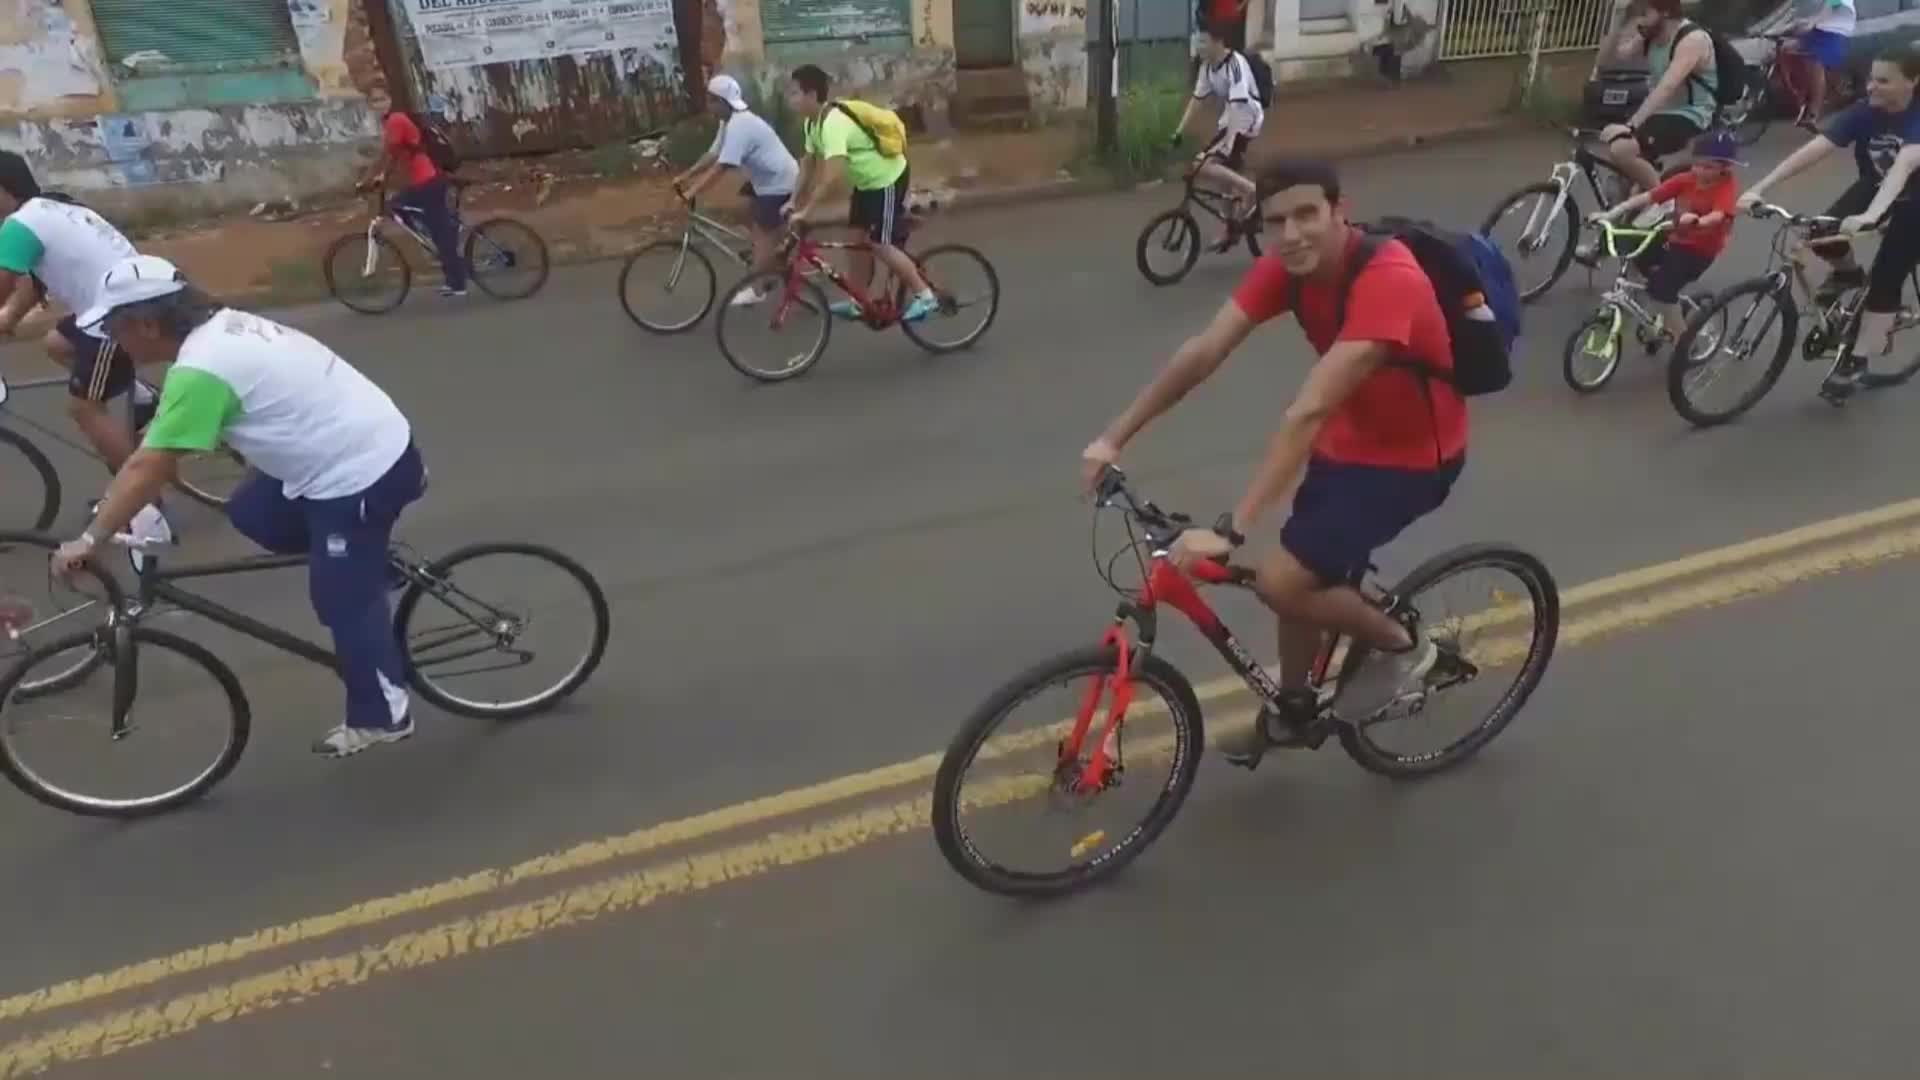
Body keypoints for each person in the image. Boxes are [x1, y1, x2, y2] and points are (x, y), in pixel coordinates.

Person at [1081, 159, 1466, 768]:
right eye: (1276, 221)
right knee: (1298, 577)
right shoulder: (1285, 272)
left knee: (1282, 581)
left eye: (1307, 215)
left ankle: (1405, 646)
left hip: (1413, 460)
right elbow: (1204, 351)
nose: (1291, 235)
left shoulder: (1391, 278)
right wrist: (1113, 438)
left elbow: (1309, 409)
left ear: (1340, 211)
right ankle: (1294, 707)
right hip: (1348, 442)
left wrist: (1231, 528)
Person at [52, 256, 429, 759]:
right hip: (332, 450)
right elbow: (166, 438)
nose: (112, 342)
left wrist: (92, 537)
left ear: (146, 324)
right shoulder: (220, 326)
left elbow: (148, 467)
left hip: (361, 472)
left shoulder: (204, 368)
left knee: (339, 599)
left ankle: (384, 716)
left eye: (114, 329)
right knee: (254, 512)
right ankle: (368, 562)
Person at [0, 151, 172, 548]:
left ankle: (145, 507)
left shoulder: (18, 225)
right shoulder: (52, 206)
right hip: (127, 297)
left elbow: (4, 282)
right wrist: (9, 320)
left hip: (117, 316)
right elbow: (29, 284)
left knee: (83, 407)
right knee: (57, 344)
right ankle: (142, 398)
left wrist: (6, 313)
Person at [1739, 48, 1920, 396]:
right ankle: (1849, 273)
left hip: (1915, 200)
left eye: (1883, 81)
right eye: (1870, 78)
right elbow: (1815, 149)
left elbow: (1905, 166)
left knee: (1886, 278)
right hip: (1875, 184)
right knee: (1822, 231)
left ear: (1913, 82)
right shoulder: (1864, 113)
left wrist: (1870, 217)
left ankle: (1859, 361)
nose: (1871, 87)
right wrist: (1760, 188)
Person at [783, 64, 938, 322]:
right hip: (865, 185)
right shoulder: (812, 124)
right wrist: (792, 201)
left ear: (811, 95)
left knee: (879, 243)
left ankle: (925, 295)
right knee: (856, 240)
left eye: (795, 93)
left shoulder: (834, 123)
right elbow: (808, 164)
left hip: (887, 179)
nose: (791, 100)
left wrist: (807, 211)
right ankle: (859, 299)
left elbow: (832, 174)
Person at [1592, 129, 1741, 346]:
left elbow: (1719, 215)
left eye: (1708, 167)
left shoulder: (1725, 187)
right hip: (1674, 238)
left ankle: (1684, 343)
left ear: (1725, 168)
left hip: (1699, 250)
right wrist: (1611, 213)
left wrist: (1699, 221)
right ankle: (1662, 310)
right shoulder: (1686, 179)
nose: (1698, 170)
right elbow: (1650, 196)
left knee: (1661, 290)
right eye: (1696, 164)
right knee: (1637, 254)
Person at [674, 74, 800, 307]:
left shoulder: (741, 126)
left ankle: (758, 288)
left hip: (779, 183)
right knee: (745, 209)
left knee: (764, 237)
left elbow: (723, 166)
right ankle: (771, 255)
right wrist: (686, 176)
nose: (708, 106)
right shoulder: (729, 122)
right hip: (763, 179)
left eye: (711, 101)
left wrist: (692, 193)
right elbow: (712, 155)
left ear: (723, 102)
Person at [1596, 0, 1718, 197]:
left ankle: (1661, 204)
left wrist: (1631, 126)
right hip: (1660, 114)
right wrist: (1618, 22)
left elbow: (1667, 87)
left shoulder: (1692, 39)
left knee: (1622, 149)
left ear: (1666, 13)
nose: (1640, 20)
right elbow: (1609, 60)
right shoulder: (1650, 34)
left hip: (1692, 114)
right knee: (1621, 161)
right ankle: (1636, 205)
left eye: (1646, 13)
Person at [359, 97, 467, 298]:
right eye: (374, 101)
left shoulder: (396, 120)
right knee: (404, 209)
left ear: (390, 101)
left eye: (381, 99)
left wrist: (376, 177)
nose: (378, 104)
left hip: (428, 180)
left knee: (431, 227)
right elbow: (395, 154)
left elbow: (389, 154)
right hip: (424, 180)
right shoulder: (391, 122)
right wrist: (380, 176)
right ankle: (437, 236)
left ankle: (458, 283)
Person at [1175, 27, 1266, 252]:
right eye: (1197, 42)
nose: (1199, 47)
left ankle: (1252, 190)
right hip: (1229, 119)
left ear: (1219, 41)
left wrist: (1229, 142)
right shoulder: (1207, 67)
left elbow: (1238, 105)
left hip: (1246, 118)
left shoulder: (1235, 64)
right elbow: (1197, 100)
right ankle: (1231, 226)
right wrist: (1178, 131)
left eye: (1204, 42)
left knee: (1203, 164)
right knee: (1222, 174)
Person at [1784, 0, 1856, 129]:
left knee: (1816, 67)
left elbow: (1833, 4)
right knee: (1796, 56)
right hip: (1815, 27)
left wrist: (1812, 21)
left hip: (1833, 27)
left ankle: (1813, 113)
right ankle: (1807, 104)